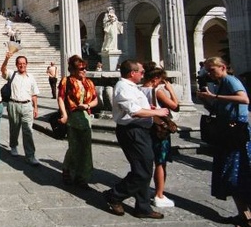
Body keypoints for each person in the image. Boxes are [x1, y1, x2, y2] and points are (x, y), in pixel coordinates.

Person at [103, 60, 169, 219]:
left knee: (143, 167)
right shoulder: (123, 87)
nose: (143, 74)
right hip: (132, 131)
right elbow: (134, 111)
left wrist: (150, 110)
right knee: (142, 171)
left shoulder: (131, 87)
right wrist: (157, 113)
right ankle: (114, 195)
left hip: (141, 131)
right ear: (132, 73)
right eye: (140, 71)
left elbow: (138, 108)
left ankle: (143, 207)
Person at [197, 57, 251, 226]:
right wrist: (207, 100)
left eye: (212, 69)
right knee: (230, 175)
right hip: (227, 132)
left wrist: (214, 96)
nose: (209, 73)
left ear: (223, 67)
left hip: (235, 133)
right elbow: (219, 107)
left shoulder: (230, 80)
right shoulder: (221, 83)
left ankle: (245, 215)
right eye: (207, 70)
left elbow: (244, 99)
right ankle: (244, 215)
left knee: (236, 173)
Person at [139, 66, 179, 208]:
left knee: (147, 161)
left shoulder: (139, 90)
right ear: (155, 79)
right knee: (160, 163)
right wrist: (171, 90)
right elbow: (175, 106)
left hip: (145, 128)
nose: (161, 83)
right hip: (159, 129)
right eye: (161, 80)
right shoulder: (158, 91)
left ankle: (143, 190)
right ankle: (159, 194)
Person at [57, 55, 98, 188]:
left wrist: (87, 106)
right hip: (73, 117)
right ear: (73, 70)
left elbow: (95, 100)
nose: (84, 71)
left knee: (86, 148)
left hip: (85, 117)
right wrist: (64, 114)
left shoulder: (89, 83)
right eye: (81, 69)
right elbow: (61, 98)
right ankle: (68, 170)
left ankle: (82, 177)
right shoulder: (66, 81)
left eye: (85, 68)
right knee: (74, 147)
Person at [1, 51, 40, 166]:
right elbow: (3, 70)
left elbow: (34, 94)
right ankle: (13, 145)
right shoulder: (12, 74)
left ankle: (30, 155)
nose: (22, 65)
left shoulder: (31, 77)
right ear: (16, 65)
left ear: (27, 64)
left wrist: (35, 108)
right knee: (14, 128)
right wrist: (6, 59)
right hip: (13, 104)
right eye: (19, 63)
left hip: (27, 105)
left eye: (24, 63)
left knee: (28, 131)